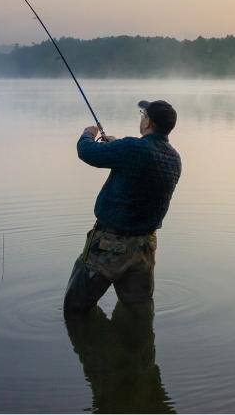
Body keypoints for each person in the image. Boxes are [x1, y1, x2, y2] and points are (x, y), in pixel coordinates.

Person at [63, 99, 181, 313]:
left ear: (148, 124)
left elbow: (87, 152)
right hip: (145, 247)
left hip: (109, 245)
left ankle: (85, 343)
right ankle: (138, 345)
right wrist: (116, 145)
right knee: (138, 313)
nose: (142, 119)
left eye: (143, 115)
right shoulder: (174, 158)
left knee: (75, 309)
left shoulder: (132, 148)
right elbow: (140, 167)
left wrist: (88, 133)